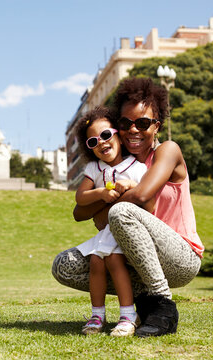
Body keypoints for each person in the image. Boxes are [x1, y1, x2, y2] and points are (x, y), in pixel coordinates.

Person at [52, 77, 204, 338]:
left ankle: (163, 306)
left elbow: (142, 195)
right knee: (64, 265)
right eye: (125, 123)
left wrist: (104, 208)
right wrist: (106, 196)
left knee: (120, 212)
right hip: (137, 257)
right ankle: (137, 306)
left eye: (143, 123)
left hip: (180, 256)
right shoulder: (119, 164)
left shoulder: (168, 151)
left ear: (157, 126)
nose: (134, 129)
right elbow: (79, 213)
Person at [74, 106, 147, 336]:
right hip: (106, 232)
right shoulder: (93, 169)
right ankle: (97, 315)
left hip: (127, 230)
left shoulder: (136, 167)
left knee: (114, 260)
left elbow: (148, 198)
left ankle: (127, 315)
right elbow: (80, 198)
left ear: (118, 134)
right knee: (97, 261)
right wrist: (101, 194)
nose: (102, 143)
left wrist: (132, 186)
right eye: (93, 142)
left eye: (106, 135)